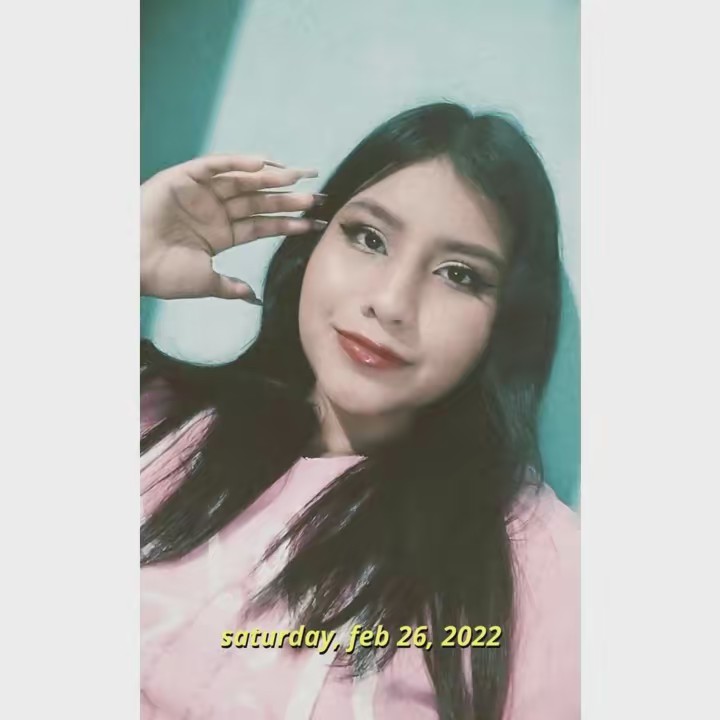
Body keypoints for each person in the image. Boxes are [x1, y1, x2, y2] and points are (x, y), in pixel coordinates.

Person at [140, 102, 579, 720]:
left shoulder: (541, 565)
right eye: (369, 238)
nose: (392, 303)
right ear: (313, 243)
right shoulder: (156, 415)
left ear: (505, 323)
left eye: (458, 275)